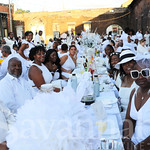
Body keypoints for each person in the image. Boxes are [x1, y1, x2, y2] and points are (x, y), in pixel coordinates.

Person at [123, 57, 150, 150]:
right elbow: (129, 119)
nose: (140, 77)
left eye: (145, 73)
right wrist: (126, 139)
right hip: (134, 142)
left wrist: (137, 148)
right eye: (135, 74)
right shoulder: (134, 92)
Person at [115, 50, 136, 120]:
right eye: (124, 64)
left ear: (135, 62)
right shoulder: (120, 78)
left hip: (134, 117)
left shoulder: (141, 79)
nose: (127, 65)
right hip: (121, 114)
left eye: (130, 62)